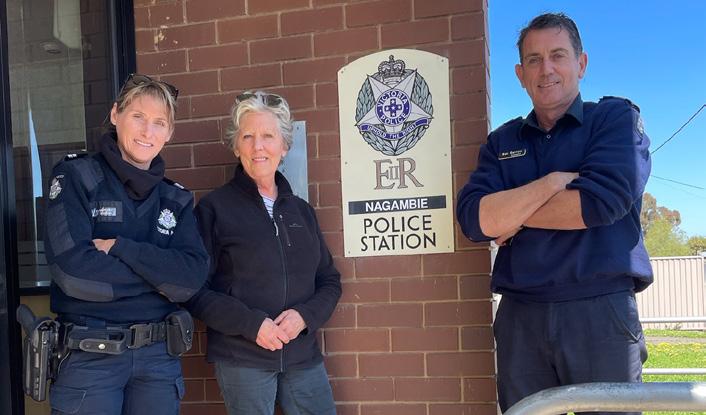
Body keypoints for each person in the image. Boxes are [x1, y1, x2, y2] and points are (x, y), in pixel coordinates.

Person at [456, 13, 652, 414]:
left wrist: (512, 213)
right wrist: (551, 184)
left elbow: (599, 202)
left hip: (600, 312)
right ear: (520, 74)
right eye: (534, 59)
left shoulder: (613, 120)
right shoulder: (501, 142)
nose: (546, 69)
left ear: (581, 63)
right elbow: (475, 220)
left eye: (558, 55)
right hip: (521, 317)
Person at [44, 73, 209, 414]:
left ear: (169, 132)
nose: (148, 131)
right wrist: (160, 279)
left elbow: (191, 280)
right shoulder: (76, 177)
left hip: (158, 360)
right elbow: (73, 273)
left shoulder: (175, 199)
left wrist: (121, 248)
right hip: (91, 358)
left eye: (159, 122)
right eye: (138, 116)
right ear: (115, 114)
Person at [185, 91, 341, 415]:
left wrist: (304, 317)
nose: (258, 146)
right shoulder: (214, 209)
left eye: (268, 136)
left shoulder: (301, 212)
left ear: (284, 146)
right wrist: (251, 324)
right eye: (248, 136)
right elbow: (195, 290)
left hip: (302, 355)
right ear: (236, 146)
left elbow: (329, 281)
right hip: (243, 357)